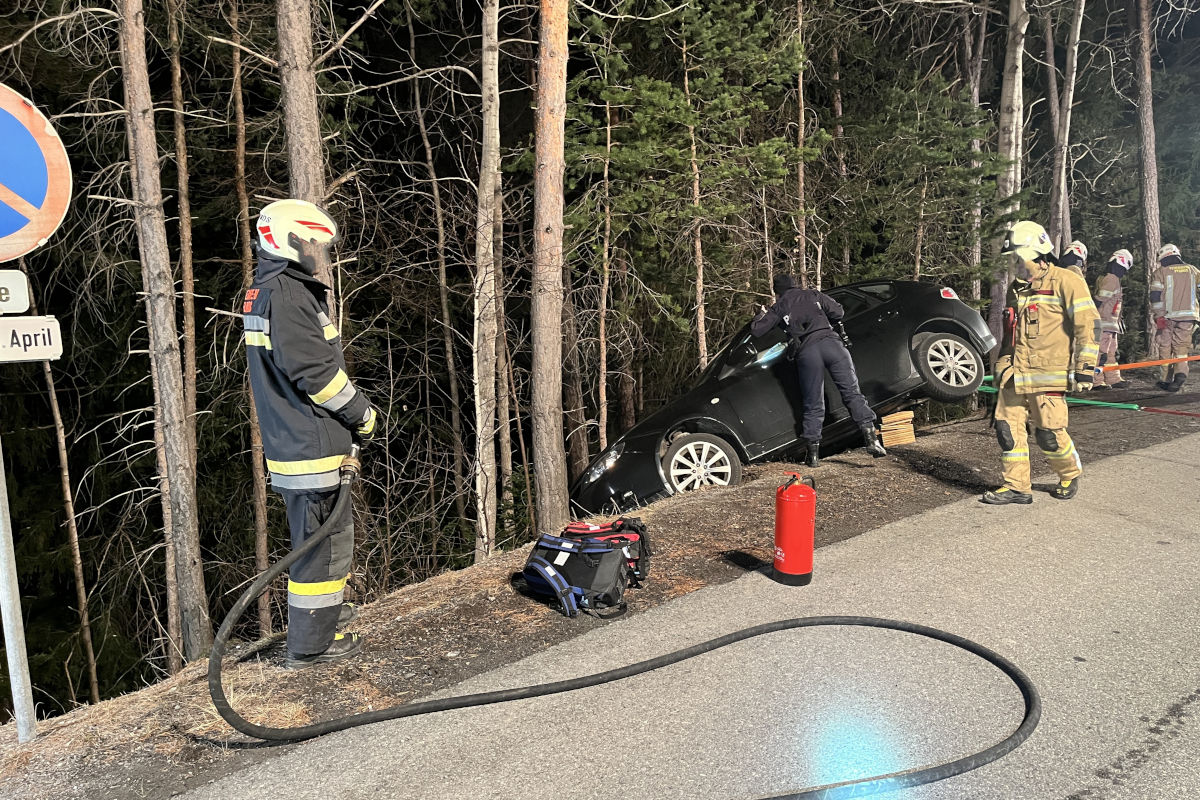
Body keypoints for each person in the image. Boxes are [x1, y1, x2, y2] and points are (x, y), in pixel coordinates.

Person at [243, 199, 380, 669]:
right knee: (324, 550)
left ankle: (319, 623)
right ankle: (311, 646)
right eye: (313, 243)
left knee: (316, 544)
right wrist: (362, 415)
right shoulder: (286, 295)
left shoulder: (267, 291)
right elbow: (318, 375)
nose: (318, 253)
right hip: (313, 445)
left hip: (295, 444)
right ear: (290, 240)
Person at [982, 220, 1099, 505]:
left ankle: (1069, 473)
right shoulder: (1016, 289)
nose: (1014, 264)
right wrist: (1001, 365)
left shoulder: (1067, 281)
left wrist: (1085, 369)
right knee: (1007, 430)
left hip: (1048, 375)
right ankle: (1017, 486)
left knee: (1048, 435)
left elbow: (1089, 326)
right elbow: (1011, 332)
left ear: (1037, 253)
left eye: (1018, 257)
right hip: (1014, 374)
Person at [751, 274, 886, 468]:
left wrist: (761, 313)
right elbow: (838, 312)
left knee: (813, 402)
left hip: (808, 354)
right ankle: (871, 439)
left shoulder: (779, 306)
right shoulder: (813, 294)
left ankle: (813, 455)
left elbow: (757, 330)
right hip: (832, 345)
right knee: (851, 393)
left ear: (777, 291)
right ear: (795, 285)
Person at [1149, 243, 1200, 392]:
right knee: (1181, 347)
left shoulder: (1160, 272)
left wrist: (1158, 316)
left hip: (1166, 317)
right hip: (1188, 317)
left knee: (1164, 347)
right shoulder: (1193, 271)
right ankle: (1180, 375)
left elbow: (1155, 296)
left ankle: (1165, 379)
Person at [1092, 249, 1133, 390]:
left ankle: (1113, 379)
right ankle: (1096, 381)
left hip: (1110, 325)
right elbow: (1100, 299)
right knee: (1101, 354)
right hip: (1103, 324)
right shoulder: (1111, 279)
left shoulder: (1112, 278)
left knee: (1110, 354)